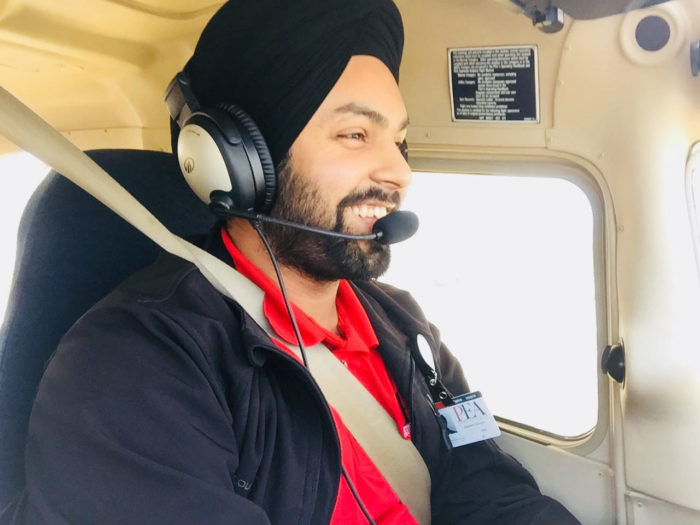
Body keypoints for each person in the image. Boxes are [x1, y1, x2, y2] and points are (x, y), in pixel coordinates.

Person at [4, 0, 580, 523]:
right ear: (241, 164)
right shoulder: (134, 366)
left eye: (398, 141)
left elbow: (489, 490)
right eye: (355, 134)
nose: (399, 172)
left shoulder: (403, 326)